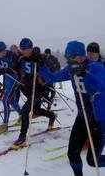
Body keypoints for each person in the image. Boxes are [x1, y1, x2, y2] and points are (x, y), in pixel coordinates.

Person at [40, 40, 105, 176]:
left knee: (93, 160)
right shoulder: (70, 69)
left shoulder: (95, 67)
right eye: (67, 58)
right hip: (82, 118)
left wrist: (85, 75)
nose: (69, 61)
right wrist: (41, 64)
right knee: (72, 154)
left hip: (99, 121)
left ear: (80, 55)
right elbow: (51, 78)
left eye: (71, 57)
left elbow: (101, 86)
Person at [10, 38, 56, 150]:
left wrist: (41, 60)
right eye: (22, 49)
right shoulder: (21, 58)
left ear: (31, 48)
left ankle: (22, 138)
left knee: (25, 111)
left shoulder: (39, 57)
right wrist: (6, 70)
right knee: (35, 111)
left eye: (25, 49)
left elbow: (49, 68)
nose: (23, 51)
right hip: (28, 89)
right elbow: (14, 69)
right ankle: (52, 115)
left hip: (39, 89)